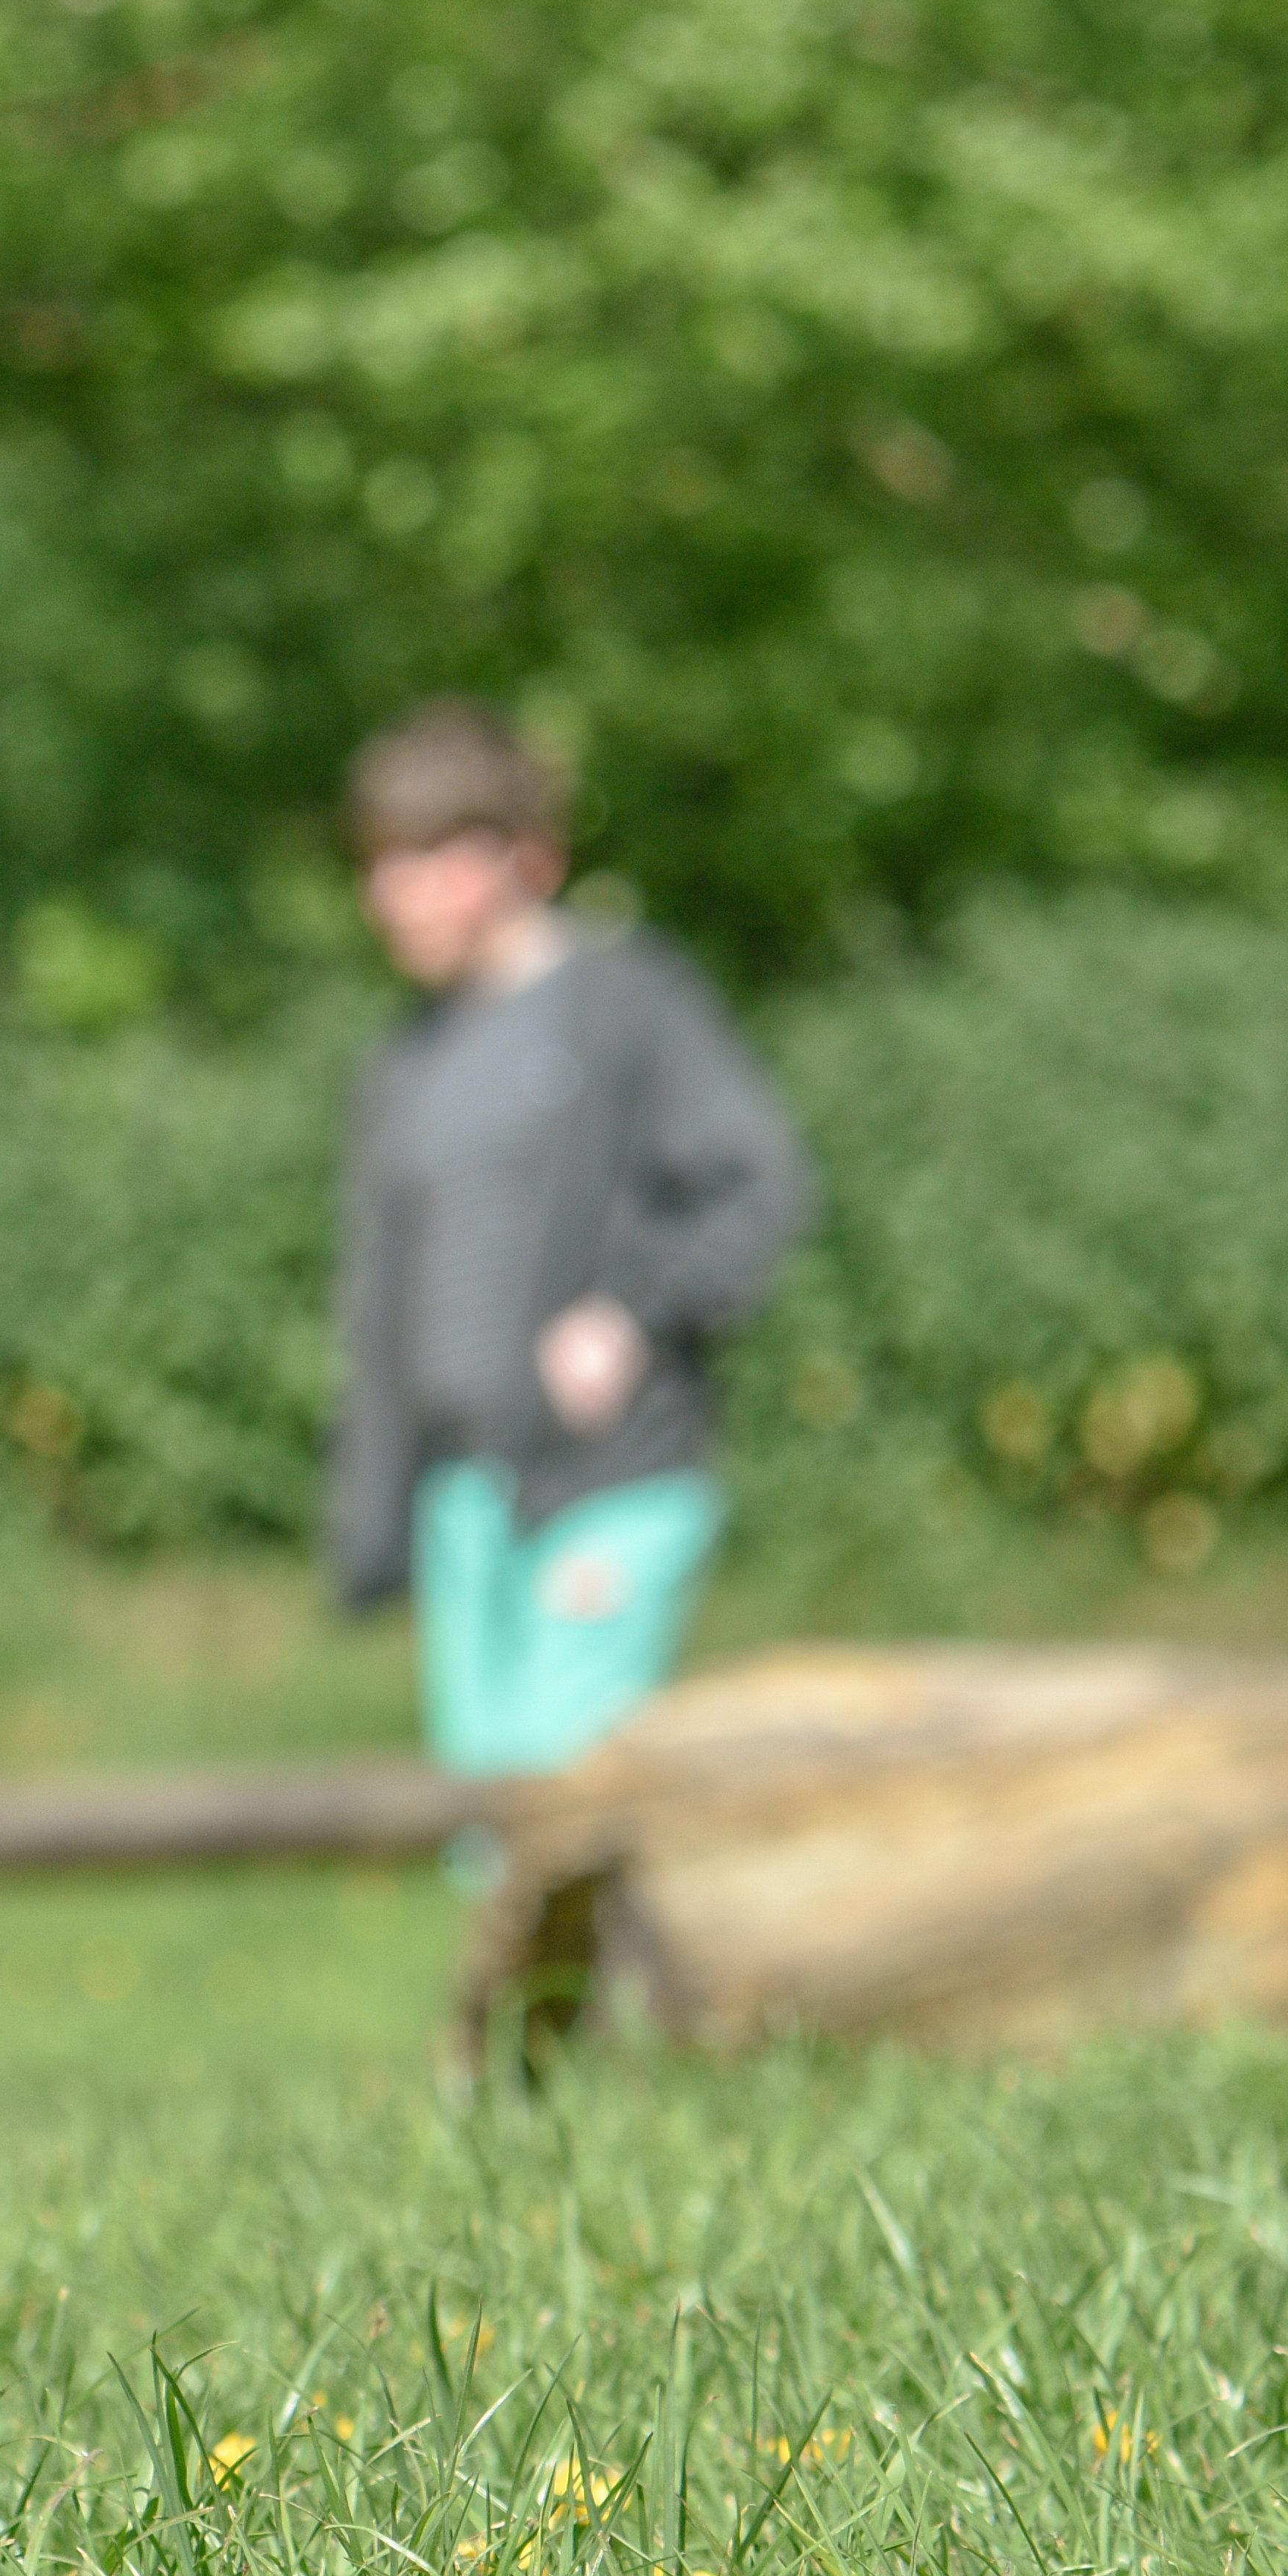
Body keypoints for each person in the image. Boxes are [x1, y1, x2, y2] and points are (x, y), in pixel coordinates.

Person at [326, 700, 814, 1779]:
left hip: (610, 1478)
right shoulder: (412, 1058)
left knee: (563, 1805)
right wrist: (372, 1513)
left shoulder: (626, 1005)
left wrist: (630, 1315)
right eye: (379, 863)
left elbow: (759, 1188)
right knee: (486, 1820)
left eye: (423, 860)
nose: (390, 895)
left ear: (521, 857)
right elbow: (385, 1300)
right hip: (468, 1496)